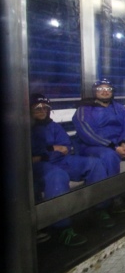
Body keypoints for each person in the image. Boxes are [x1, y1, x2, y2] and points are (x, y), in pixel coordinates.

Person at [30, 93, 114, 246]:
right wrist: (50, 149)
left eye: (45, 108)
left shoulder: (53, 126)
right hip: (40, 166)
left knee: (95, 164)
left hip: (60, 160)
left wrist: (48, 152)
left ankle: (99, 208)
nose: (42, 111)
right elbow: (29, 157)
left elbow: (65, 147)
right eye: (37, 108)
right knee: (57, 175)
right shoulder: (24, 129)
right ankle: (62, 228)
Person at [72, 79, 125, 212]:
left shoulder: (120, 108)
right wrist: (113, 147)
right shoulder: (84, 109)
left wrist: (123, 143)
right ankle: (114, 197)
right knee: (109, 155)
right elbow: (87, 133)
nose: (105, 91)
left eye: (108, 89)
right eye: (101, 89)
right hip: (93, 146)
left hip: (118, 144)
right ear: (94, 92)